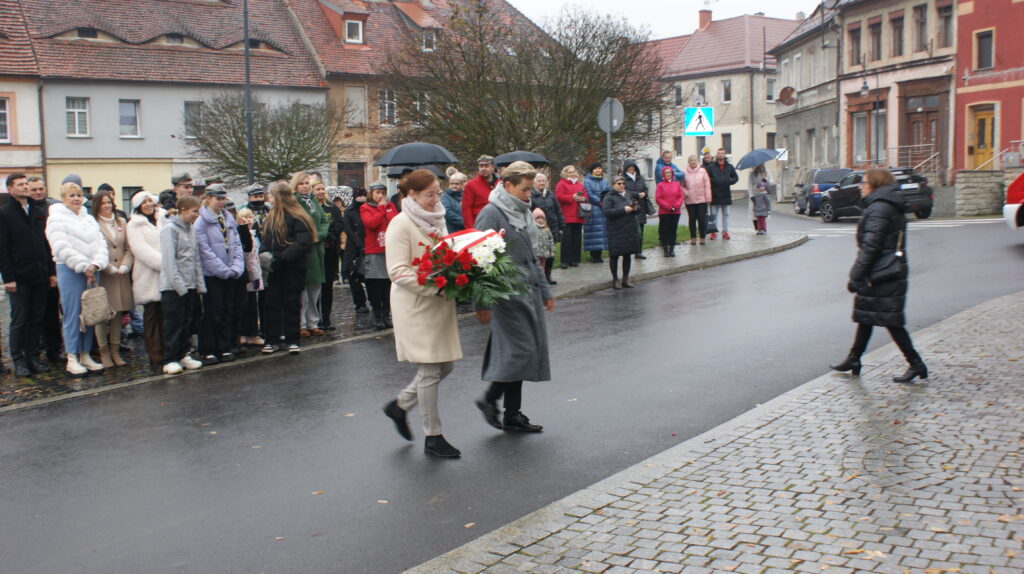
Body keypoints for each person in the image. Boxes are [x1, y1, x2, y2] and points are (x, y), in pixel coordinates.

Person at [381, 169, 463, 458]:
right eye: (430, 194)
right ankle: (433, 436)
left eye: (437, 193)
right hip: (415, 304)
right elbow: (397, 271)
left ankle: (400, 405)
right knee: (430, 370)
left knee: (446, 366)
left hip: (439, 302)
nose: (436, 199)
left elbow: (448, 254)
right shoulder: (400, 224)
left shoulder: (437, 219)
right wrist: (434, 287)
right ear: (412, 194)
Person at [473, 161, 554, 433]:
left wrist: (545, 291)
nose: (529, 194)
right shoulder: (491, 213)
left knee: (520, 353)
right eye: (524, 189)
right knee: (520, 352)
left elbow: (531, 257)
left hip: (527, 293)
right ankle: (490, 400)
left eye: (531, 189)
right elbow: (478, 260)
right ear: (507, 185)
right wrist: (482, 301)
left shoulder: (522, 211)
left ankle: (512, 413)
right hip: (504, 296)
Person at [831, 168, 928, 384]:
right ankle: (854, 359)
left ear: (875, 185)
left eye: (864, 183)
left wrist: (856, 275)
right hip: (884, 270)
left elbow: (871, 246)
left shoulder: (880, 207)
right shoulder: (885, 204)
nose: (860, 186)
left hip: (883, 272)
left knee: (891, 320)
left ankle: (916, 364)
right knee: (867, 316)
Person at [45, 182, 109, 376]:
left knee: (90, 312)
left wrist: (96, 264)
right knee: (72, 313)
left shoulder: (88, 219)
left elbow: (100, 243)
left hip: (92, 269)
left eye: (78, 195)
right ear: (63, 198)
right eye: (71, 195)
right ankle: (72, 356)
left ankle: (85, 353)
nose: (76, 199)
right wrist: (82, 265)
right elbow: (60, 246)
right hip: (70, 269)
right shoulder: (56, 219)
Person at [0, 173, 56, 377]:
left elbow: (46, 244)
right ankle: (19, 360)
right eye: (20, 184)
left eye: (26, 184)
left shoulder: (38, 211)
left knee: (36, 318)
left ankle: (33, 356)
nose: (25, 187)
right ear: (10, 189)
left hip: (40, 274)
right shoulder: (5, 214)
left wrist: (51, 272)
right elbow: (3, 248)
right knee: (20, 320)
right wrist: (8, 278)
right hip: (19, 277)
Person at [260, 181, 315, 354]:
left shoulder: (297, 216)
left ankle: (292, 339)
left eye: (271, 195)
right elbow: (266, 240)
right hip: (275, 267)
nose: (269, 198)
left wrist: (283, 258)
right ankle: (271, 339)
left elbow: (303, 242)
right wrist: (265, 255)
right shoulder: (271, 216)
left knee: (291, 302)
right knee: (272, 303)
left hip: (293, 267)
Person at [194, 184, 244, 365]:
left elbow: (236, 245)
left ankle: (224, 346)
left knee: (227, 311)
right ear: (208, 199)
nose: (221, 202)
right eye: (218, 199)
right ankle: (208, 349)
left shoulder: (228, 218)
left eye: (223, 198)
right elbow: (205, 252)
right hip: (212, 275)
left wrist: (236, 267)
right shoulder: (201, 222)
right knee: (213, 312)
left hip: (230, 273)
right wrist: (223, 270)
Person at [158, 195, 206, 374]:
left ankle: (183, 354)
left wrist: (199, 284)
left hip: (190, 284)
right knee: (173, 323)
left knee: (187, 322)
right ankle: (170, 358)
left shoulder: (191, 229)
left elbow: (195, 259)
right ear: (183, 210)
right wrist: (180, 287)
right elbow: (169, 262)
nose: (196, 215)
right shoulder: (169, 229)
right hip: (173, 288)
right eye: (194, 211)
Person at [91, 189, 134, 368]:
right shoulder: (93, 223)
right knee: (102, 315)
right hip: (104, 274)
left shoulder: (121, 221)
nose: (107, 205)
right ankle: (104, 352)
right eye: (103, 203)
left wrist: (125, 265)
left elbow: (129, 248)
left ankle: (115, 351)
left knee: (118, 313)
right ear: (97, 205)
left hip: (121, 274)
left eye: (109, 202)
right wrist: (107, 266)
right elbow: (93, 248)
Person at [126, 192, 166, 365]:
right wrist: (163, 263)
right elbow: (140, 249)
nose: (148, 204)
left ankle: (167, 348)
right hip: (148, 274)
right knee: (151, 315)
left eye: (150, 201)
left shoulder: (162, 218)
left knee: (165, 314)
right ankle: (154, 351)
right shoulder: (134, 224)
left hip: (166, 275)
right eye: (144, 202)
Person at [27, 176, 63, 364]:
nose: (38, 192)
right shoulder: (26, 210)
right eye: (34, 189)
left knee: (51, 313)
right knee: (34, 314)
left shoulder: (53, 208)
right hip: (33, 270)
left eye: (41, 188)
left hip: (53, 267)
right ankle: (34, 350)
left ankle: (54, 349)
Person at [291, 172, 330, 337]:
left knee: (315, 288)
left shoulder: (313, 200)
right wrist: (309, 236)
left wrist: (319, 235)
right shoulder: (294, 202)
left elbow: (324, 221)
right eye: (301, 183)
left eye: (307, 183)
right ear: (296, 185)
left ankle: (313, 322)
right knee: (303, 290)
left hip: (316, 248)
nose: (305, 186)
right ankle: (300, 323)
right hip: (303, 249)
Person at [361, 181, 398, 330]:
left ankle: (386, 315)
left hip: (389, 250)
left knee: (387, 286)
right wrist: (381, 209)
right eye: (377, 193)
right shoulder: (365, 208)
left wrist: (386, 208)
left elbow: (395, 222)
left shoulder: (390, 206)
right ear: (371, 193)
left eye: (383, 193)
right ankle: (377, 316)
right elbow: (371, 223)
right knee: (376, 285)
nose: (381, 196)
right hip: (374, 250)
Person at [315, 180, 343, 331]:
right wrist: (323, 236)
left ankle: (326, 318)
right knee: (315, 287)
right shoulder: (311, 208)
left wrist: (331, 235)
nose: (320, 191)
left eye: (322, 189)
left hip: (331, 250)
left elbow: (339, 223)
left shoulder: (331, 207)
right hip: (316, 250)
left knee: (327, 286)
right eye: (317, 189)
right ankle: (315, 318)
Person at [603, 176, 640, 288]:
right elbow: (607, 212)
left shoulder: (628, 194)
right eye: (619, 183)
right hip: (616, 229)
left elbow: (637, 206)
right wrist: (623, 210)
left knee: (627, 254)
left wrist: (635, 208)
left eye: (623, 183)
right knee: (614, 255)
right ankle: (615, 279)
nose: (622, 185)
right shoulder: (609, 197)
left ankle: (626, 278)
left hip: (629, 229)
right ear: (613, 185)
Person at [235, 208, 265, 346]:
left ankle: (252, 333)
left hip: (254, 273)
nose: (248, 220)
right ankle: (242, 333)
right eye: (244, 218)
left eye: (250, 217)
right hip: (245, 273)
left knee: (252, 304)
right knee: (243, 305)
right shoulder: (240, 234)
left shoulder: (254, 234)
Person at [530, 172, 564, 283]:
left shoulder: (550, 194)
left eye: (543, 181)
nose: (541, 183)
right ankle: (540, 276)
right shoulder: (531, 195)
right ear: (534, 183)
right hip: (538, 228)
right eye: (539, 181)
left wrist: (561, 225)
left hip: (552, 226)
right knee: (539, 253)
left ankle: (548, 274)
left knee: (550, 252)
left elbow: (558, 210)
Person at [342, 187, 370, 315]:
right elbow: (348, 229)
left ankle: (374, 300)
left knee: (369, 275)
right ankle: (360, 303)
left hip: (368, 244)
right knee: (354, 275)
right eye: (359, 195)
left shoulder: (369, 208)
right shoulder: (349, 211)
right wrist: (359, 243)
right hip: (353, 247)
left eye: (364, 195)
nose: (362, 198)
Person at [555, 165, 586, 269]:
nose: (572, 174)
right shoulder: (561, 184)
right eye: (570, 172)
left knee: (577, 239)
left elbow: (586, 196)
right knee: (567, 239)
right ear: (565, 173)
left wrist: (583, 199)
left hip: (578, 215)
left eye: (573, 172)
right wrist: (572, 197)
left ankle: (574, 260)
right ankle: (564, 260)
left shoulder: (579, 184)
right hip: (567, 216)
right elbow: (558, 197)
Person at [705, 148, 739, 240]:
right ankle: (713, 232)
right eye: (719, 153)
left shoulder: (729, 167)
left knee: (726, 215)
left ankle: (725, 232)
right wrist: (714, 181)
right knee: (714, 215)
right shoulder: (711, 166)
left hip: (725, 194)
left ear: (725, 155)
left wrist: (729, 181)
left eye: (722, 153)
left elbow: (736, 178)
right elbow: (706, 177)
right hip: (714, 194)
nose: (720, 155)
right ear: (716, 155)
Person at [461, 155, 499, 229]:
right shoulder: (471, 185)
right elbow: (466, 209)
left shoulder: (499, 183)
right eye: (481, 166)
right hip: (479, 224)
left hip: (497, 223)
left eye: (486, 166)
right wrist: (471, 229)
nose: (483, 169)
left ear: (493, 167)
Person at [621, 161, 650, 260]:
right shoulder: (623, 179)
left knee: (640, 231)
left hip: (641, 207)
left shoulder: (639, 178)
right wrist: (637, 194)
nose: (631, 169)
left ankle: (638, 251)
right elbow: (624, 191)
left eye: (633, 167)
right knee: (629, 231)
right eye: (629, 167)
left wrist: (644, 193)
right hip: (629, 206)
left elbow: (645, 188)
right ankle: (627, 251)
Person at [582, 162, 610, 264]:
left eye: (599, 168)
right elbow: (589, 193)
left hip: (603, 208)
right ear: (592, 170)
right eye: (596, 168)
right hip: (593, 209)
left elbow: (608, 192)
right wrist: (598, 201)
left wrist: (605, 201)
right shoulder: (587, 181)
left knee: (602, 232)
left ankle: (600, 253)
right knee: (593, 232)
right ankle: (594, 255)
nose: (598, 170)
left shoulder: (604, 181)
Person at [682, 155, 712, 245]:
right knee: (692, 219)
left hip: (701, 200)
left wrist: (708, 197)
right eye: (691, 160)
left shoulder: (703, 171)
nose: (693, 162)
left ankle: (702, 237)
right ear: (689, 162)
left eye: (695, 160)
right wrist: (686, 193)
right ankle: (693, 237)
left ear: (697, 161)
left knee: (702, 218)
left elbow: (707, 184)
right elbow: (681, 185)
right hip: (690, 200)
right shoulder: (684, 172)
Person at [655, 166, 684, 257]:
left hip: (675, 211)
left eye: (670, 172)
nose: (668, 174)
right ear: (664, 174)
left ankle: (672, 249)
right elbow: (658, 198)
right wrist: (668, 207)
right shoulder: (660, 185)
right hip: (664, 212)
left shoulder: (677, 184)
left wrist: (675, 206)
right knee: (665, 231)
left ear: (672, 173)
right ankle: (665, 249)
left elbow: (681, 196)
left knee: (673, 230)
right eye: (666, 172)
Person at [532, 208, 556, 281]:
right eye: (537, 218)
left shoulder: (546, 228)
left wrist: (552, 250)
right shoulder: (533, 228)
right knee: (536, 267)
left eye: (541, 218)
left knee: (542, 266)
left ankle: (542, 280)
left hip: (544, 252)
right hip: (536, 253)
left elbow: (551, 240)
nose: (540, 220)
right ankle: (536, 280)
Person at [441, 168, 466, 232]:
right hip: (452, 231)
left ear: (462, 185)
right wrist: (464, 222)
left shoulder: (465, 196)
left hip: (466, 230)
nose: (454, 186)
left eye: (457, 184)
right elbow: (447, 213)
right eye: (452, 184)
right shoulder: (445, 197)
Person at [748, 164, 773, 230]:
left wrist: (766, 180)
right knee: (755, 213)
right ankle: (757, 228)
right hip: (755, 195)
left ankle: (763, 228)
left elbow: (772, 182)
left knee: (763, 212)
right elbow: (750, 185)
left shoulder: (766, 172)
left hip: (764, 194)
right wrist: (751, 196)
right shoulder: (752, 173)